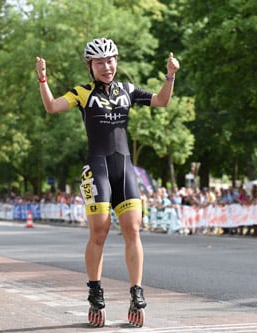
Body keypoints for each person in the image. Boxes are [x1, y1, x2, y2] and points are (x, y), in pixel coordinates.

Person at [36, 38, 179, 326]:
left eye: (110, 60)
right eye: (100, 62)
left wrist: (170, 75)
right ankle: (95, 292)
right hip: (97, 168)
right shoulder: (83, 93)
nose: (107, 66)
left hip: (124, 167)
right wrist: (43, 78)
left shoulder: (127, 90)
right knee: (99, 232)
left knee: (133, 229)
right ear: (90, 66)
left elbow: (162, 101)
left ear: (116, 61)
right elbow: (52, 107)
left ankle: (136, 291)